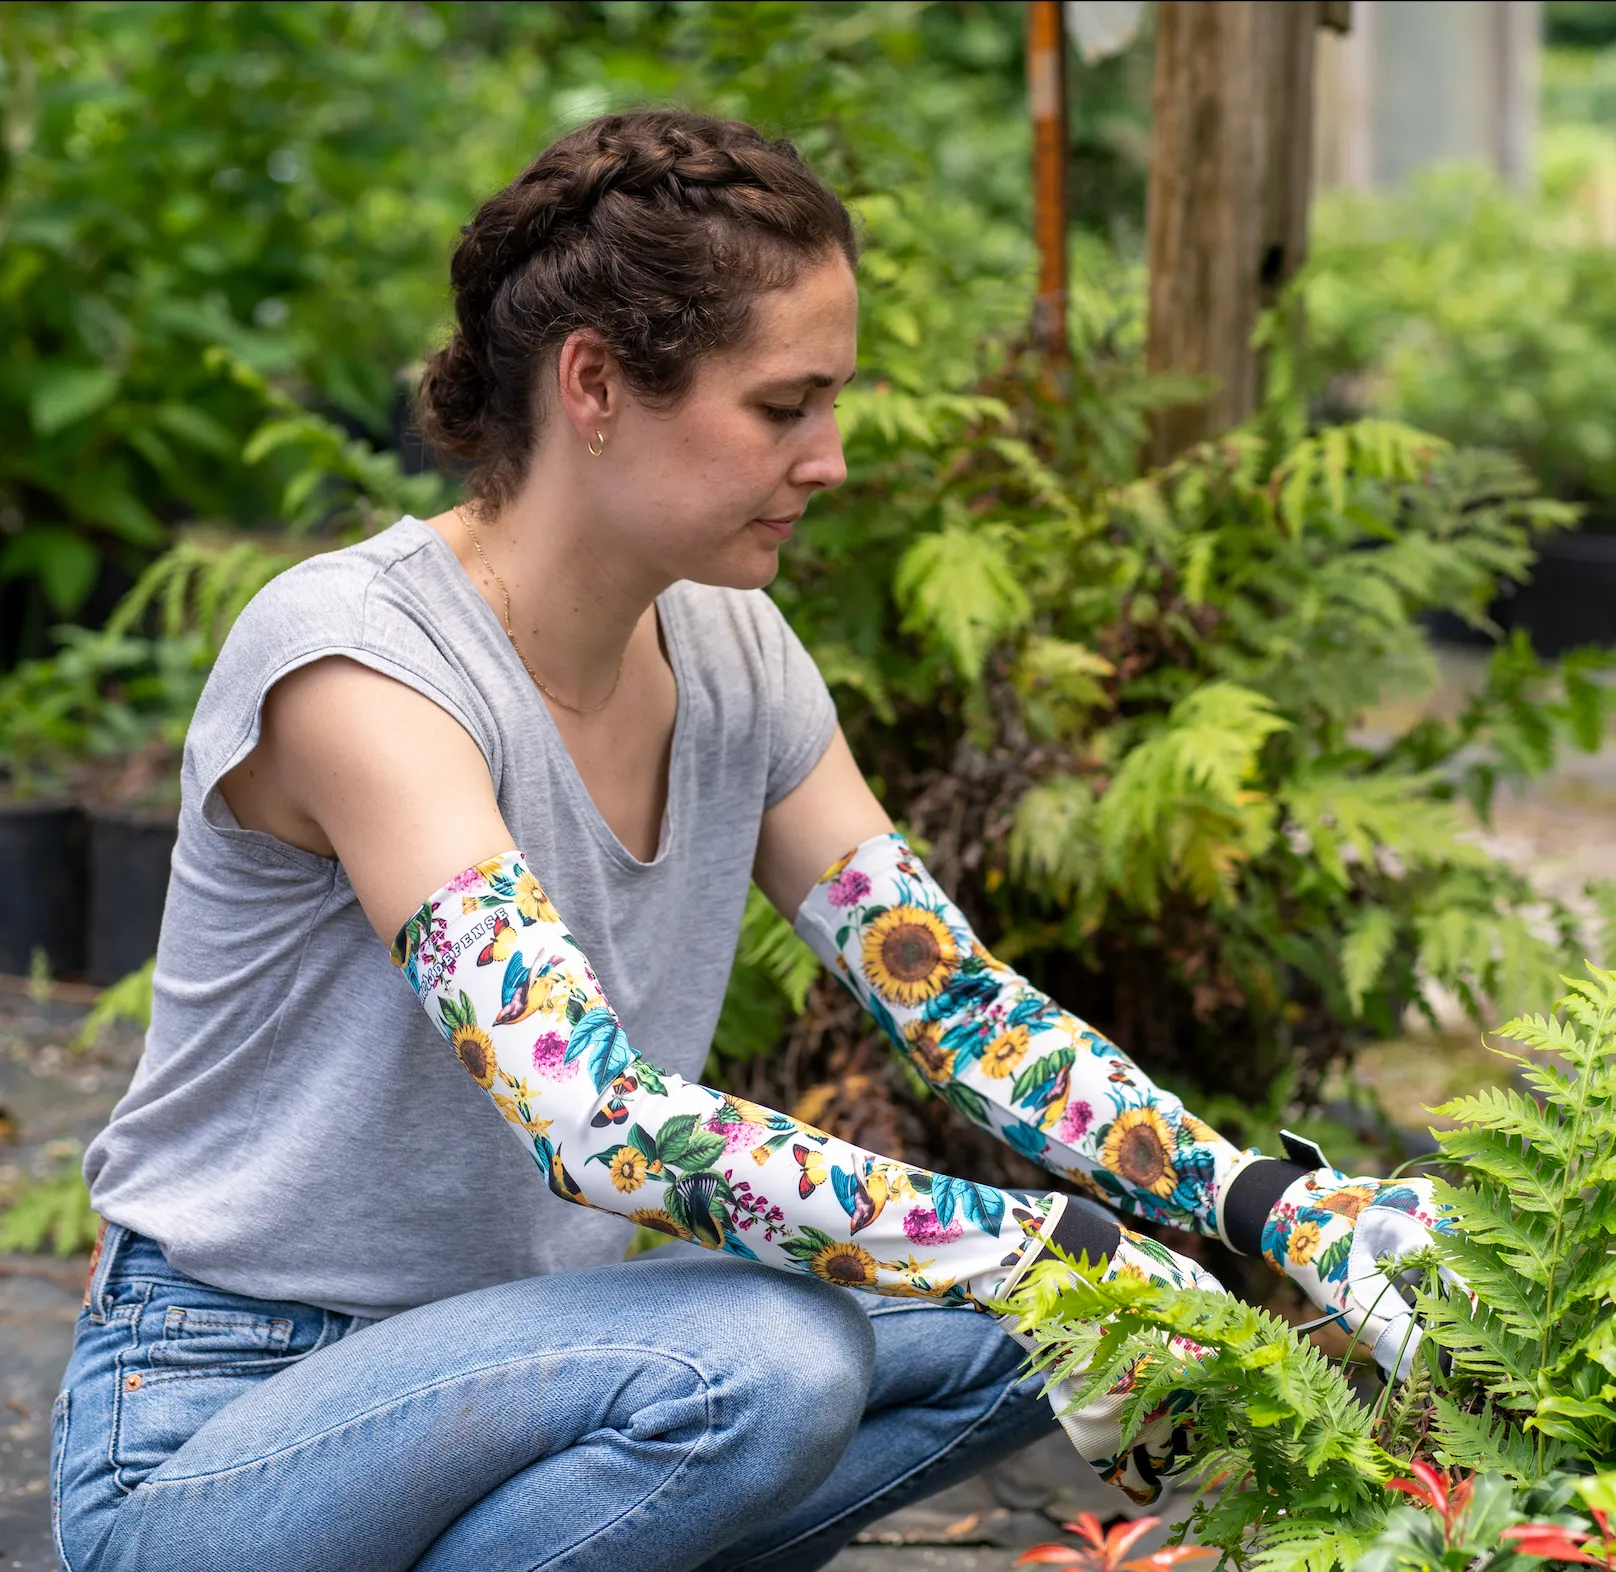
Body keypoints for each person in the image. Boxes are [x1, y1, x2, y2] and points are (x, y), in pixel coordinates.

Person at [52, 109, 1453, 1572]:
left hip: (528, 1368)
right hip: (225, 1427)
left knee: (1116, 1318)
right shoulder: (360, 666)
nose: (832, 458)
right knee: (766, 1364)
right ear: (593, 382)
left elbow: (960, 1010)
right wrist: (1035, 1246)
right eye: (785, 407)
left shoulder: (735, 655)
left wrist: (1259, 1206)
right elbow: (595, 1123)